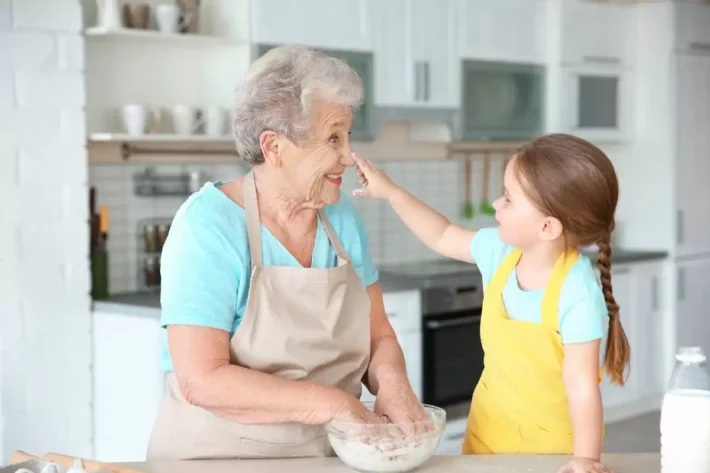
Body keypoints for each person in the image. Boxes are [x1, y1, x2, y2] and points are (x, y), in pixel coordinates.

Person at [146, 44, 427, 461]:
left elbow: (378, 335)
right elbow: (202, 380)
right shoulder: (209, 226)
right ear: (274, 147)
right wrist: (336, 404)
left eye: (347, 136)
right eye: (333, 138)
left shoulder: (342, 217)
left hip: (328, 454)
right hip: (218, 459)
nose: (349, 157)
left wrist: (393, 385)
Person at [352, 133, 631, 473]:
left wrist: (585, 460)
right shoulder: (499, 253)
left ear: (547, 227)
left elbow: (582, 387)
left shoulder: (578, 291)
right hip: (487, 434)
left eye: (508, 199)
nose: (496, 205)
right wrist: (392, 193)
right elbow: (441, 234)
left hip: (551, 451)